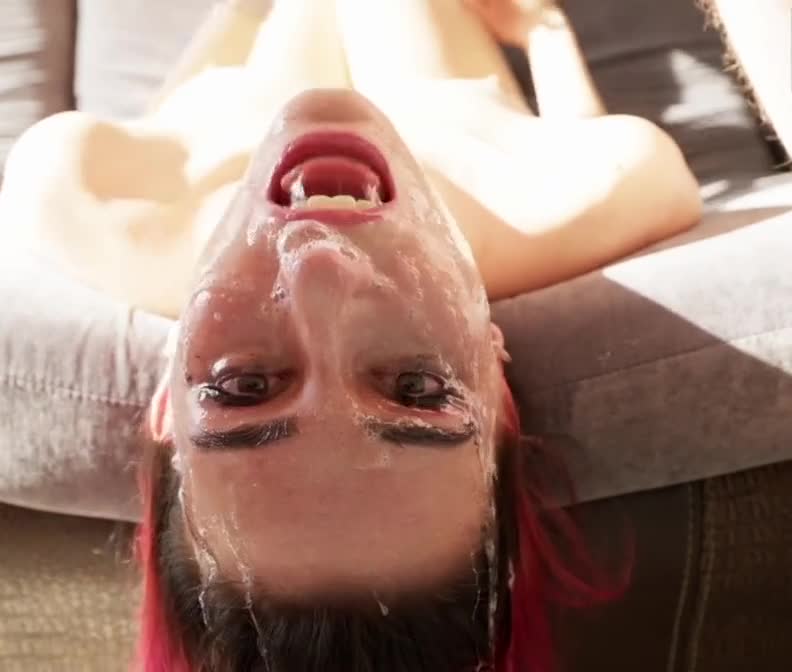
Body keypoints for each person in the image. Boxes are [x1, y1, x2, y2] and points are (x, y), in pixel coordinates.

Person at [0, 1, 702, 670]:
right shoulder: (586, 198)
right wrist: (540, 29)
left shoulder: (82, 204)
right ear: (499, 387)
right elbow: (614, 147)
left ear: (164, 406)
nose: (321, 268)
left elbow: (188, 93)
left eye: (244, 386)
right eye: (417, 388)